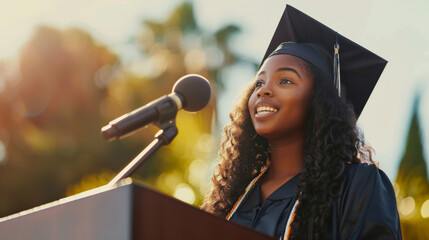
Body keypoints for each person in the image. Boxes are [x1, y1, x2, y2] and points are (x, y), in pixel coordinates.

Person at [201, 5, 402, 240]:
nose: (264, 91)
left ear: (319, 102)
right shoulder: (234, 197)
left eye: (285, 80)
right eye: (259, 83)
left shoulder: (356, 185)